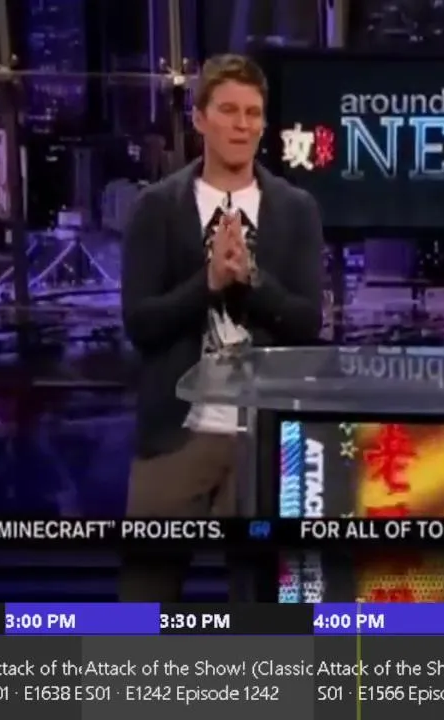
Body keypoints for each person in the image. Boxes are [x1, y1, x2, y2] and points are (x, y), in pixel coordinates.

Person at [119, 54, 325, 601]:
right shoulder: (156, 208)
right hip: (175, 436)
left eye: (252, 113)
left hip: (266, 441)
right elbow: (140, 323)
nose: (242, 125)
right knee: (143, 602)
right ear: (200, 118)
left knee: (262, 604)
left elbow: (308, 323)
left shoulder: (296, 210)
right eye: (228, 111)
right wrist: (208, 283)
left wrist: (251, 280)